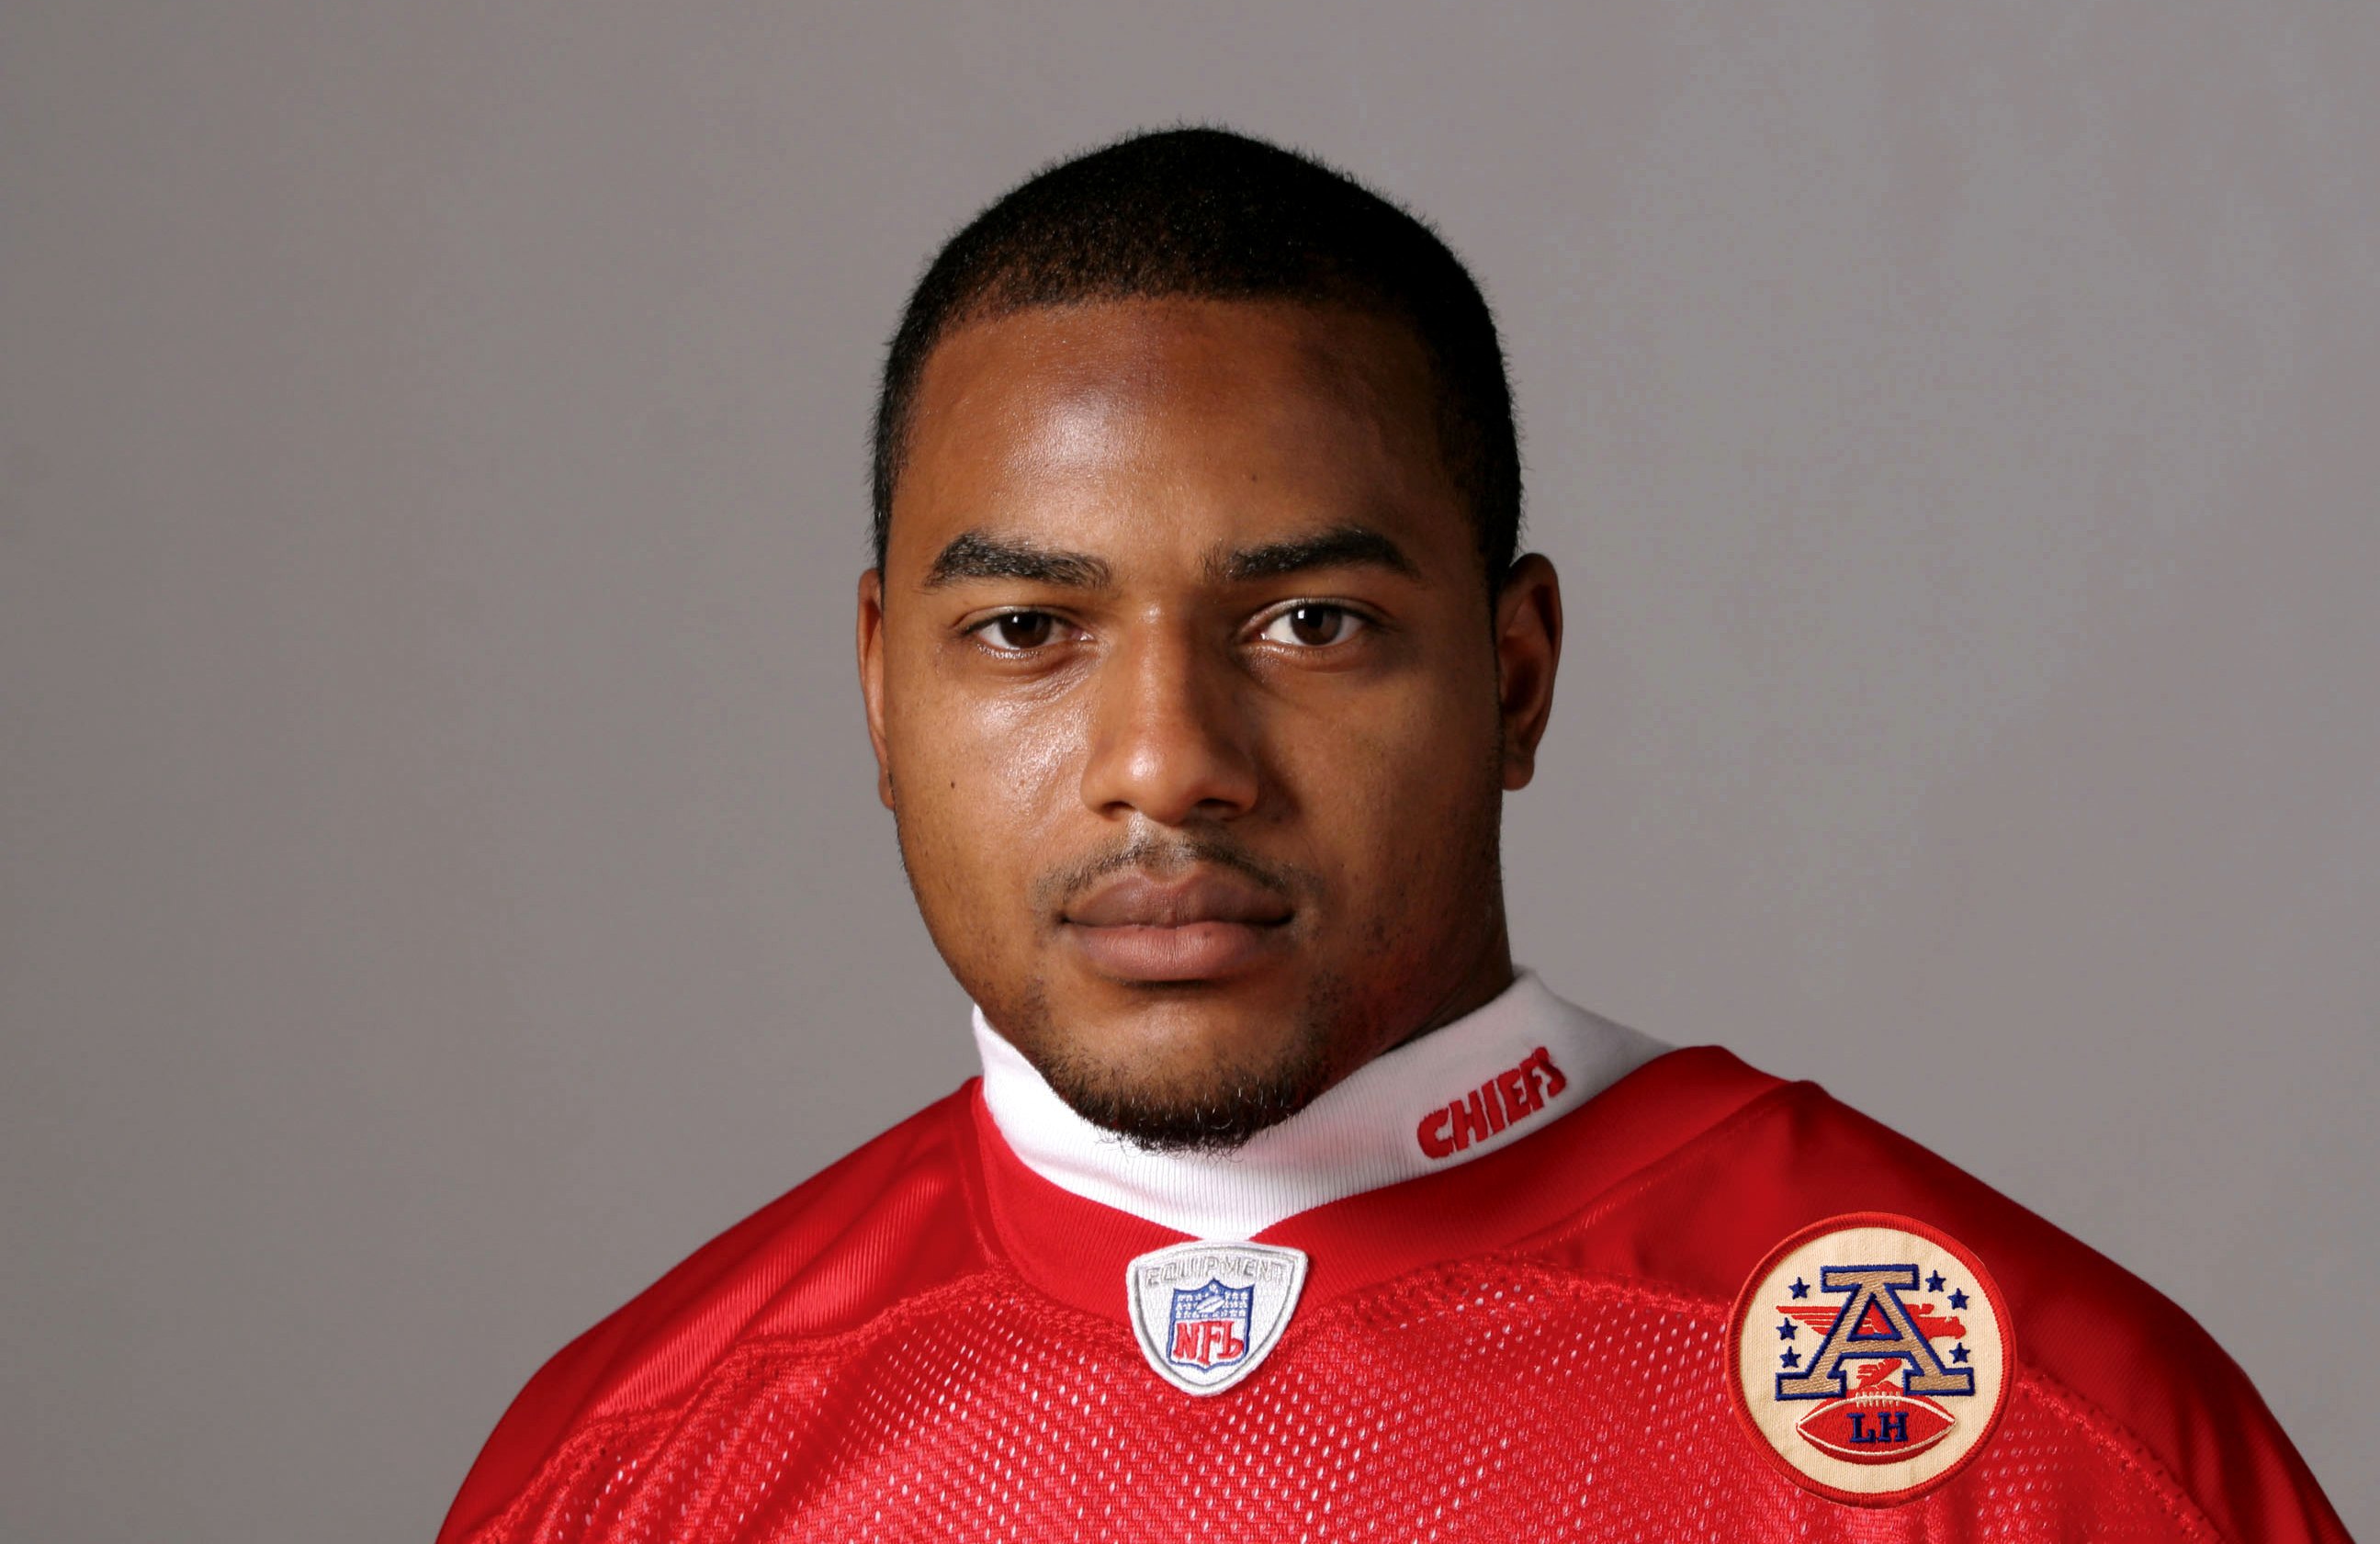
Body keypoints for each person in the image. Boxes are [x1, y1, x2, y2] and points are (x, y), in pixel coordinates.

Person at [437, 128, 2347, 1542]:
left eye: (1310, 626)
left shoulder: (2034, 1446)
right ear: (880, 690)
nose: (1169, 763)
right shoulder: (633, 1470)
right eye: (1029, 632)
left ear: (1515, 676)